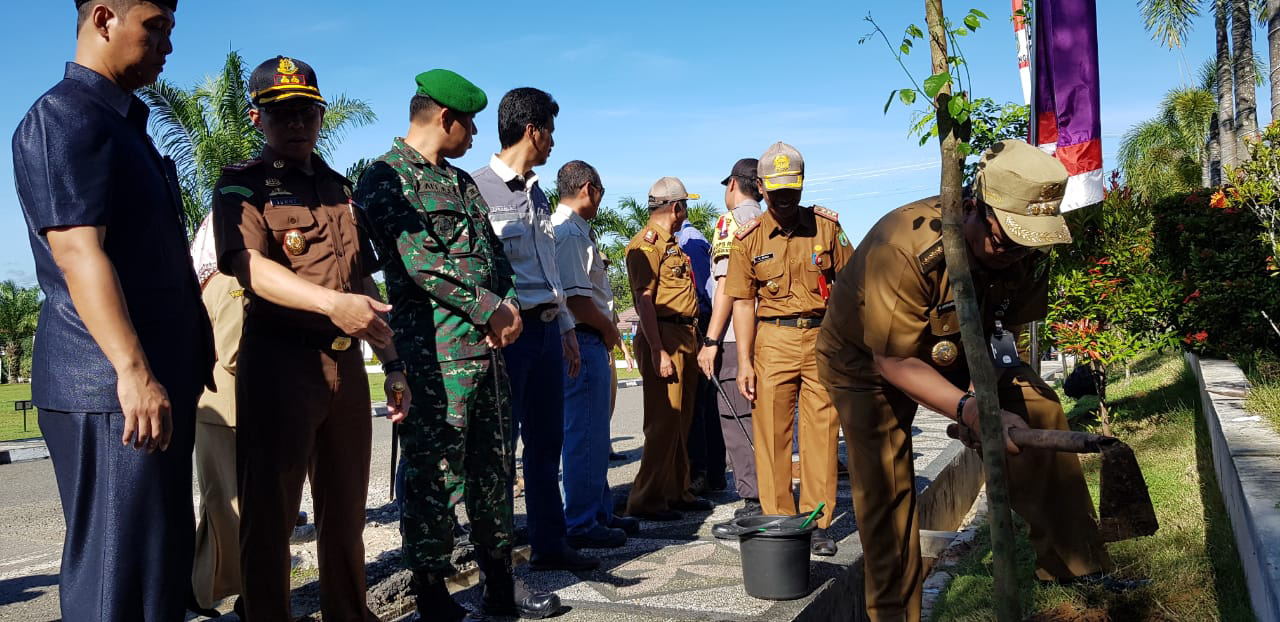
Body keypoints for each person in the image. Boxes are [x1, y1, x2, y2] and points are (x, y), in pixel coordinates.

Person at [816, 139, 1140, 621]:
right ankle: (894, 614)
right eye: (1006, 240)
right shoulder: (903, 246)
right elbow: (894, 362)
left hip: (962, 350)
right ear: (972, 208)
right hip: (866, 361)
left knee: (1041, 407)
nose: (1015, 253)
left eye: (1027, 241)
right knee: (887, 490)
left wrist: (990, 395)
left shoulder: (1025, 251)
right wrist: (973, 410)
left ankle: (1075, 568)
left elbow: (1008, 333)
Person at [13, 2, 214, 619]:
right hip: (110, 390)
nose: (167, 46)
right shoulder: (67, 116)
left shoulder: (122, 124)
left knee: (156, 576)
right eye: (155, 28)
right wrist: (133, 371)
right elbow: (78, 253)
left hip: (144, 384)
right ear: (104, 19)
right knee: (117, 583)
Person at [356, 68, 561, 621]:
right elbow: (419, 261)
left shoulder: (462, 182)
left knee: (494, 472)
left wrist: (507, 303)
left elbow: (493, 255)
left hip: (487, 354)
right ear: (444, 118)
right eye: (468, 124)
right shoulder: (386, 177)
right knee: (435, 476)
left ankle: (500, 584)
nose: (474, 135)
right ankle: (432, 595)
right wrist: (489, 307)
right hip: (434, 360)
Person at [212, 56, 406, 622]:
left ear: (320, 116)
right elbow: (248, 267)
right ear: (257, 118)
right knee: (271, 516)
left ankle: (349, 613)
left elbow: (361, 279)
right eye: (282, 113)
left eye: (306, 112)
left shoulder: (338, 188)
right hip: (280, 366)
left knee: (346, 514)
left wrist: (393, 361)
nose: (296, 123)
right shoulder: (242, 185)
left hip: (346, 369)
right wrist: (331, 305)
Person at [471, 87, 596, 571]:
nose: (553, 142)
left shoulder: (538, 192)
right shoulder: (477, 188)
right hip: (509, 337)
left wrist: (565, 327)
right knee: (501, 453)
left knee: (546, 446)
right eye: (550, 132)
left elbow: (549, 269)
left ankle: (550, 544)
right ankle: (499, 565)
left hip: (546, 331)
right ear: (532, 131)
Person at [724, 143, 851, 556]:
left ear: (802, 184)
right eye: (776, 191)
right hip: (773, 341)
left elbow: (851, 287)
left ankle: (816, 523)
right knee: (771, 436)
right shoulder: (747, 237)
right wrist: (744, 361)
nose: (784, 199)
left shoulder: (826, 227)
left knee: (821, 434)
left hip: (821, 339)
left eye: (791, 190)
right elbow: (742, 302)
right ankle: (781, 520)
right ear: (761, 187)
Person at [551, 160, 640, 548]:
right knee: (585, 433)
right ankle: (583, 521)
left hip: (587, 338)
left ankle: (599, 511)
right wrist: (608, 329)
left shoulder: (572, 230)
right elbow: (577, 300)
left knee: (593, 432)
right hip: (584, 338)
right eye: (601, 192)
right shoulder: (570, 233)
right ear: (588, 188)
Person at [623, 177, 715, 521]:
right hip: (663, 337)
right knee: (663, 423)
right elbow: (644, 301)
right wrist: (658, 350)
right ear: (677, 207)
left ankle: (677, 491)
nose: (685, 212)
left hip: (684, 334)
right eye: (685, 206)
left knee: (681, 421)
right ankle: (647, 499)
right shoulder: (646, 245)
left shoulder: (671, 244)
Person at [698, 158, 764, 525]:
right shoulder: (769, 220)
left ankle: (754, 500)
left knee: (736, 418)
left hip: (736, 337)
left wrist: (711, 340)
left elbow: (727, 285)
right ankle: (771, 493)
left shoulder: (731, 223)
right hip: (769, 335)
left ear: (733, 184)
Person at [189, 215, 246, 614]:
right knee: (232, 515)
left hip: (223, 412)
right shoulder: (229, 281)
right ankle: (206, 592)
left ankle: (203, 591)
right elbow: (235, 352)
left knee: (222, 512)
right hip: (230, 414)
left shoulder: (211, 280)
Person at [676, 203, 727, 496]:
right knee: (703, 403)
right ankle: (711, 473)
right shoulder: (687, 239)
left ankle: (704, 473)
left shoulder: (689, 241)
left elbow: (699, 293)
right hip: (701, 323)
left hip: (700, 323)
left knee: (699, 404)